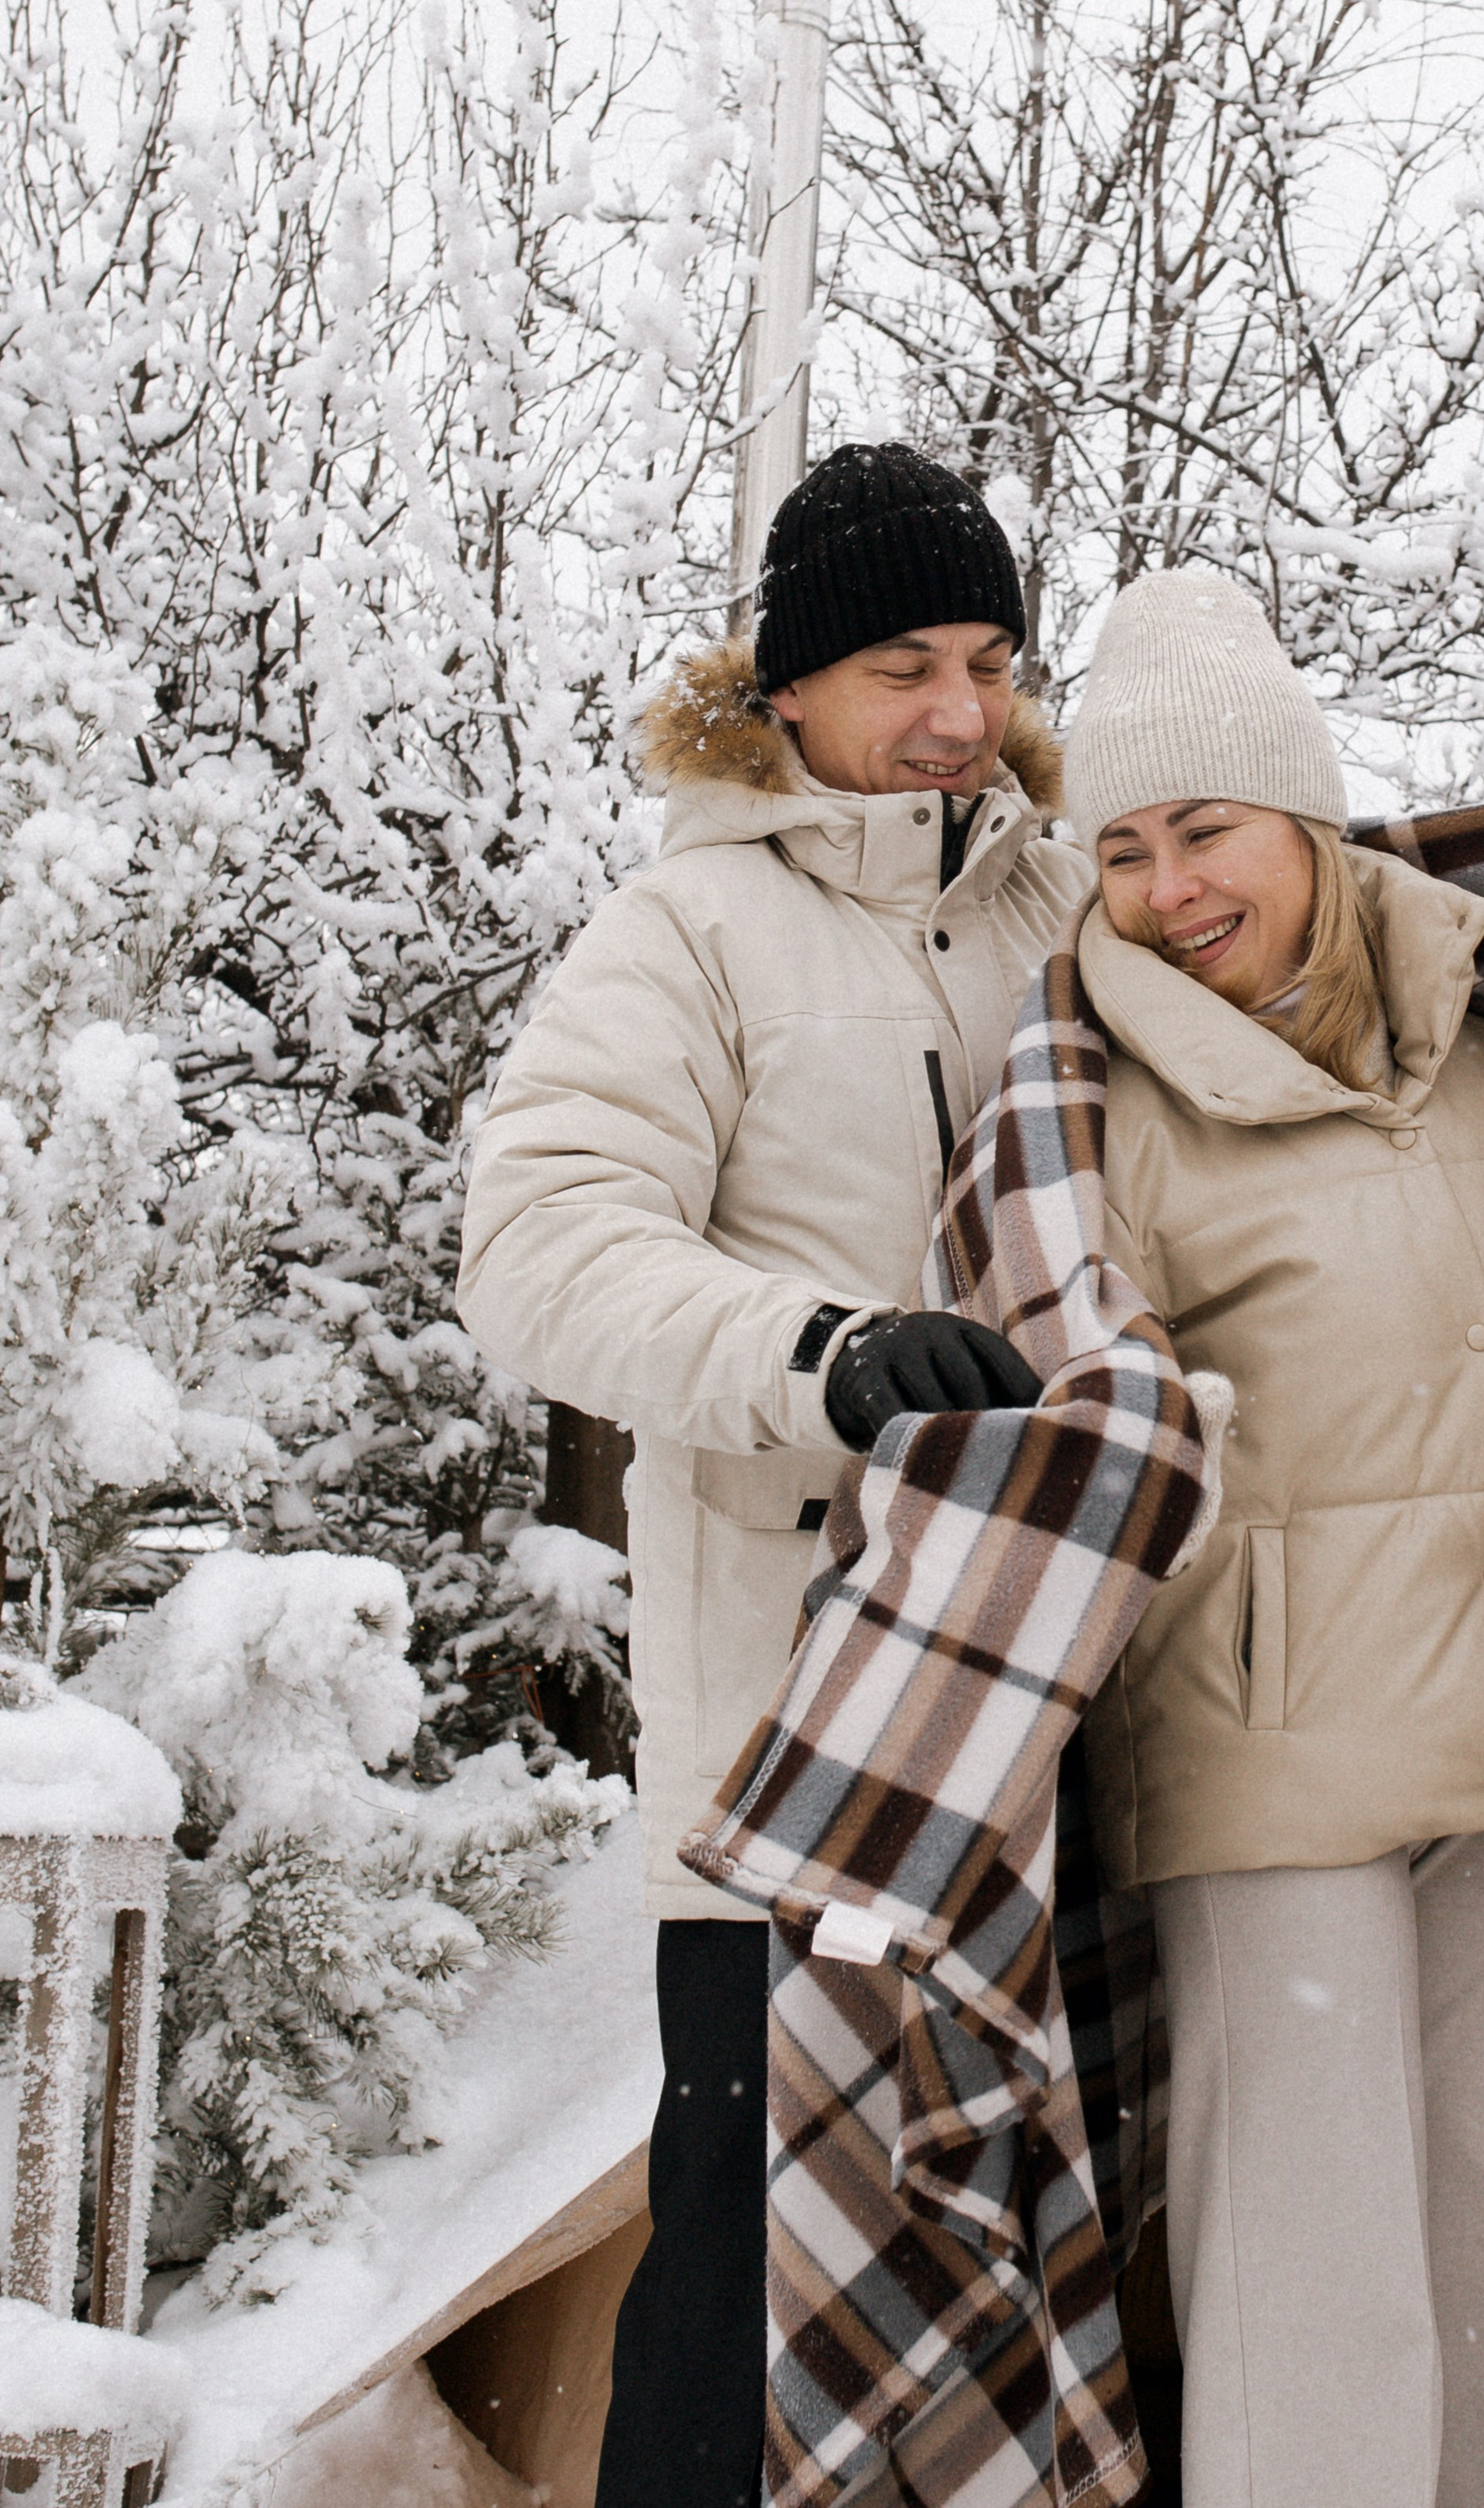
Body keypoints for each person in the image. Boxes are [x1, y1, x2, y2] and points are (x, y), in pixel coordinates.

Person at [1057, 572, 1484, 2508]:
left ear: (1307, 824)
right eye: (1119, 851)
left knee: (1476, 2258)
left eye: (1204, 831)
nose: (1168, 888)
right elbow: (1073, 1442)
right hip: (1269, 1765)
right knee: (1307, 2284)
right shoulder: (1110, 1120)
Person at [455, 445, 1086, 2508]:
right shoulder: (689, 930)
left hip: (1054, 1717)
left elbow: (1291, 921)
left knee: (999, 2269)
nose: (956, 713)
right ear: (787, 687)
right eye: (903, 661)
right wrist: (818, 1358)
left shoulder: (1051, 899)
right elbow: (538, 1245)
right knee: (740, 2285)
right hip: (797, 1734)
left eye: (985, 659)